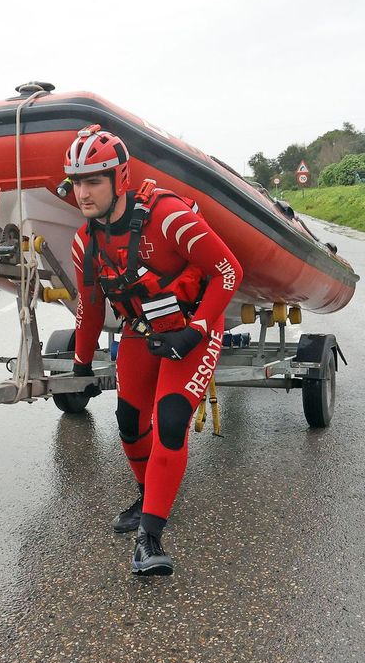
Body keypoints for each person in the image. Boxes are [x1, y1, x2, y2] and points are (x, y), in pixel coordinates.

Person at [64, 125, 242, 576]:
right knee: (128, 420)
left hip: (191, 331)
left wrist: (197, 329)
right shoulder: (86, 242)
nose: (82, 193)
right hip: (141, 332)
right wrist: (81, 363)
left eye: (93, 181)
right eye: (77, 182)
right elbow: (90, 308)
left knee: (171, 419)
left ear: (119, 178)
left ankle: (150, 537)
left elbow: (227, 271)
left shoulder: (167, 216)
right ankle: (151, 494)